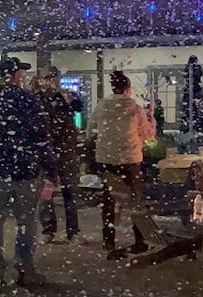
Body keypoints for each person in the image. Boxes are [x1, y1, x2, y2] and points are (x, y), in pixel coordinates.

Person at [0, 57, 56, 287]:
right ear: (17, 75)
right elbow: (41, 136)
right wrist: (49, 166)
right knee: (27, 220)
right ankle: (23, 266)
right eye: (21, 72)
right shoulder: (28, 100)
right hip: (24, 170)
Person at [87, 71, 156, 260]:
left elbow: (90, 129)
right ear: (128, 89)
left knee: (109, 200)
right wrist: (151, 118)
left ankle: (108, 239)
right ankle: (139, 239)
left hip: (107, 159)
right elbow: (148, 134)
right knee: (134, 200)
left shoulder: (102, 106)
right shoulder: (134, 108)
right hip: (130, 160)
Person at [36, 66, 84, 244]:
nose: (50, 81)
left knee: (69, 191)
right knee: (46, 193)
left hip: (66, 152)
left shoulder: (66, 96)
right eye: (47, 78)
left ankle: (73, 231)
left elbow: (79, 107)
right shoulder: (38, 99)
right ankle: (48, 229)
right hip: (47, 152)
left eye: (53, 77)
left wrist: (66, 96)